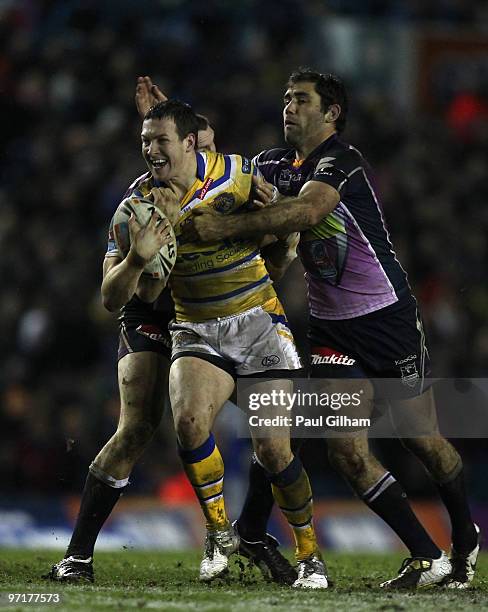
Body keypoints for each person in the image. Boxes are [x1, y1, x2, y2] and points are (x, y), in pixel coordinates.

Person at [188, 68, 480, 589]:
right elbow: (218, 169)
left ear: (331, 113)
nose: (288, 107)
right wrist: (176, 128)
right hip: (331, 331)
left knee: (422, 439)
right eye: (285, 98)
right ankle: (424, 555)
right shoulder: (273, 164)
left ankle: (465, 536)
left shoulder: (342, 162)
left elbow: (306, 210)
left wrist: (225, 228)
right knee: (344, 448)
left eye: (301, 100)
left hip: (387, 319)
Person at [47, 83, 297, 585]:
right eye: (149, 141)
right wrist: (140, 257)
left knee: (275, 434)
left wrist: (275, 233)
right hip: (153, 312)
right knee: (138, 426)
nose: (161, 151)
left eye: (196, 146)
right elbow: (112, 296)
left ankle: (245, 530)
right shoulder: (135, 205)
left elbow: (273, 253)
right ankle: (77, 555)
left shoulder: (233, 183)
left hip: (218, 308)